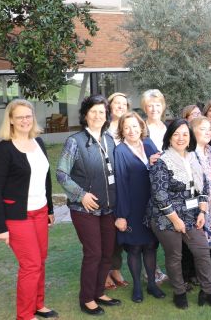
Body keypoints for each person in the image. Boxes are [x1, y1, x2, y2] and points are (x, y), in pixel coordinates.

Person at [0, 99, 58, 320]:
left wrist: (49, 209)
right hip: (18, 217)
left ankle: (38, 304)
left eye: (28, 116)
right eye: (19, 117)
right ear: (10, 119)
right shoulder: (3, 150)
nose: (25, 120)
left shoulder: (38, 142)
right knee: (31, 265)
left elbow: (46, 178)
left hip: (40, 211)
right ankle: (25, 315)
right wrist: (1, 227)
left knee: (41, 260)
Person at [147, 119, 211, 309]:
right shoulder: (162, 161)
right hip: (165, 218)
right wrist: (175, 220)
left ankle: (208, 292)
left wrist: (202, 212)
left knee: (202, 252)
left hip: (192, 215)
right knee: (175, 256)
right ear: (169, 137)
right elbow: (159, 195)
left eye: (185, 134)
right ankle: (179, 292)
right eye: (176, 134)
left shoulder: (193, 157)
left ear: (190, 137)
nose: (181, 138)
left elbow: (204, 185)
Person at [56, 95, 121, 315]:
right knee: (93, 252)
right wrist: (81, 195)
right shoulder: (74, 141)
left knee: (107, 253)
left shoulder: (109, 140)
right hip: (84, 209)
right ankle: (86, 299)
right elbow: (62, 174)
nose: (97, 115)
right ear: (85, 115)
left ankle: (99, 291)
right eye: (93, 111)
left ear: (106, 116)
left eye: (101, 112)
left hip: (108, 207)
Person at [113, 112, 166, 303]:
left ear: (141, 126)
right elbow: (120, 182)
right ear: (121, 130)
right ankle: (137, 286)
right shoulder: (120, 151)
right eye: (126, 127)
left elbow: (162, 169)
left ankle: (152, 284)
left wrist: (154, 163)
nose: (131, 131)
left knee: (151, 246)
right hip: (131, 207)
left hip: (152, 206)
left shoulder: (149, 144)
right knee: (135, 248)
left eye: (135, 126)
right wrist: (122, 215)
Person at [139, 89, 169, 285]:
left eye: (157, 105)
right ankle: (151, 270)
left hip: (167, 184)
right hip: (147, 184)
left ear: (163, 106)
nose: (154, 109)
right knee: (150, 231)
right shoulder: (141, 130)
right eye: (150, 106)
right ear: (145, 108)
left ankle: (167, 267)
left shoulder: (167, 128)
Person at [105, 92, 129, 291]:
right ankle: (105, 271)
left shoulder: (128, 127)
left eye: (124, 104)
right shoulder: (104, 128)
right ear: (109, 106)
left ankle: (115, 268)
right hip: (108, 185)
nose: (120, 106)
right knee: (108, 230)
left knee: (121, 228)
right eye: (116, 103)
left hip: (127, 183)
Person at [190, 116, 211, 251]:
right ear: (192, 132)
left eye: (209, 129)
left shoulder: (210, 150)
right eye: (203, 129)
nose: (208, 132)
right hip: (196, 206)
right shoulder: (189, 153)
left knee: (209, 246)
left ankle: (206, 269)